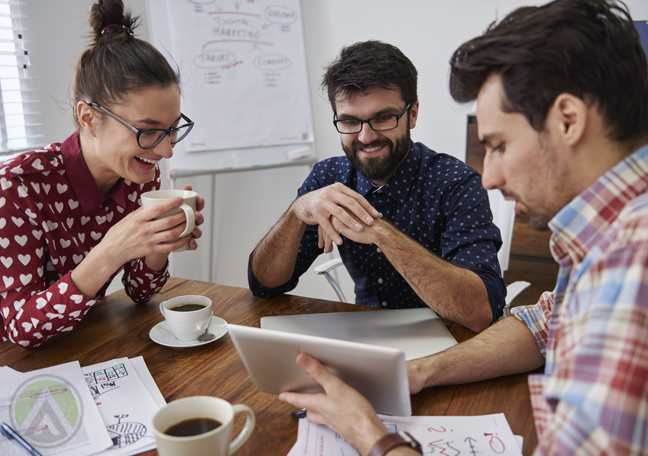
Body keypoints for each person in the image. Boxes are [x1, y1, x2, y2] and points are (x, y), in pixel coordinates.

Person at [279, 0, 648, 455]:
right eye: (352, 121)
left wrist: (370, 435)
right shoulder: (602, 239)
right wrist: (415, 374)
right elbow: (543, 323)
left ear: (569, 120)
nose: (490, 175)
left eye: (498, 144)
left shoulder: (632, 263)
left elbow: (482, 310)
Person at [248, 41, 506, 333]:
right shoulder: (328, 178)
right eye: (349, 121)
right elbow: (264, 285)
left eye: (383, 118)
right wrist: (297, 211)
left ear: (412, 114)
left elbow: (480, 312)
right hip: (366, 337)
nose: (366, 137)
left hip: (447, 341)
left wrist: (381, 233)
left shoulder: (455, 183)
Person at [0, 0, 205, 349]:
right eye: (148, 130)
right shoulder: (17, 187)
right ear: (88, 118)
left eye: (172, 129)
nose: (166, 150)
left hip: (85, 342)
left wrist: (159, 245)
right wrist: (110, 252)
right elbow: (20, 329)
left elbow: (140, 293)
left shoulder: (139, 173)